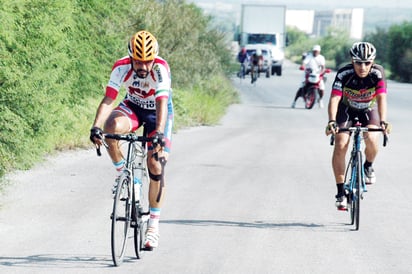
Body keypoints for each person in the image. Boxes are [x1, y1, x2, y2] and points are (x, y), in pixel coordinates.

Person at [89, 30, 174, 248]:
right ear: (131, 57)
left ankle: (153, 225)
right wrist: (96, 127)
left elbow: (162, 102)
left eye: (147, 61)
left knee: (156, 164)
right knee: (112, 127)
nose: (143, 67)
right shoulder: (121, 67)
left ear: (153, 58)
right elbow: (109, 99)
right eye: (138, 61)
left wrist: (159, 134)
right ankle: (123, 174)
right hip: (133, 107)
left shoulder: (160, 69)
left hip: (158, 112)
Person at [325, 42, 390, 210]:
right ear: (352, 61)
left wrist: (383, 121)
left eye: (367, 63)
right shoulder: (344, 73)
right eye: (358, 62)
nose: (362, 67)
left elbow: (382, 98)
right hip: (346, 109)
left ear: (373, 62)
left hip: (369, 109)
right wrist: (332, 121)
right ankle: (340, 192)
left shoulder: (378, 73)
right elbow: (334, 99)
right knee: (340, 143)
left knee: (373, 137)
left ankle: (368, 166)